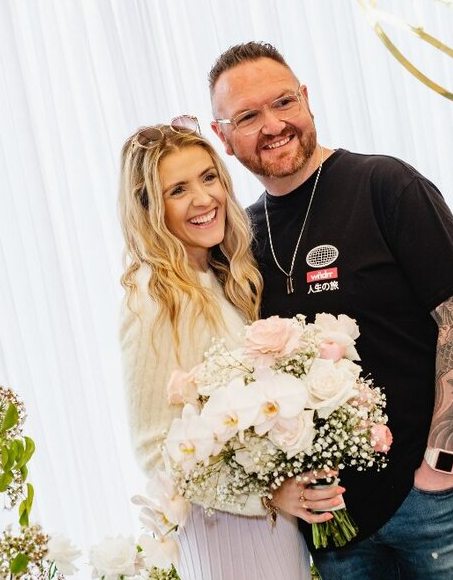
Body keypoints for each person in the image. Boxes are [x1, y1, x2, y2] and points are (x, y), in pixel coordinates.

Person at [208, 42, 453, 579]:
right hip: (332, 522)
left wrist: (443, 463)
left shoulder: (385, 184)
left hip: (427, 499)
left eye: (284, 102)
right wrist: (279, 490)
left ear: (307, 100)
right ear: (223, 136)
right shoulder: (240, 240)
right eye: (248, 116)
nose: (274, 125)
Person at [117, 118, 342, 579]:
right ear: (148, 208)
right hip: (224, 530)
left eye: (209, 177)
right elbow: (155, 451)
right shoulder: (155, 298)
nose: (203, 199)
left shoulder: (220, 277)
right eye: (177, 190)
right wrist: (264, 496)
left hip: (266, 527)